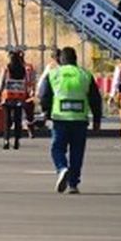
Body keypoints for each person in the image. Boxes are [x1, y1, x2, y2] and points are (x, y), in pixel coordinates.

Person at [38, 46, 102, 194]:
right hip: (80, 120)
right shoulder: (85, 75)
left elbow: (44, 95)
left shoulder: (54, 74)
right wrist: (97, 119)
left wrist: (45, 112)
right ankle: (73, 183)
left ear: (61, 59)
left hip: (60, 118)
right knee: (77, 152)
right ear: (75, 59)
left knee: (57, 148)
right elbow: (95, 99)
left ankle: (62, 168)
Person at [0, 50, 29, 150]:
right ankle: (16, 140)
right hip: (19, 97)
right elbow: (26, 82)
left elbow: (1, 82)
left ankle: (6, 140)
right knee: (17, 119)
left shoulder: (7, 68)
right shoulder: (23, 69)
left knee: (7, 120)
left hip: (8, 97)